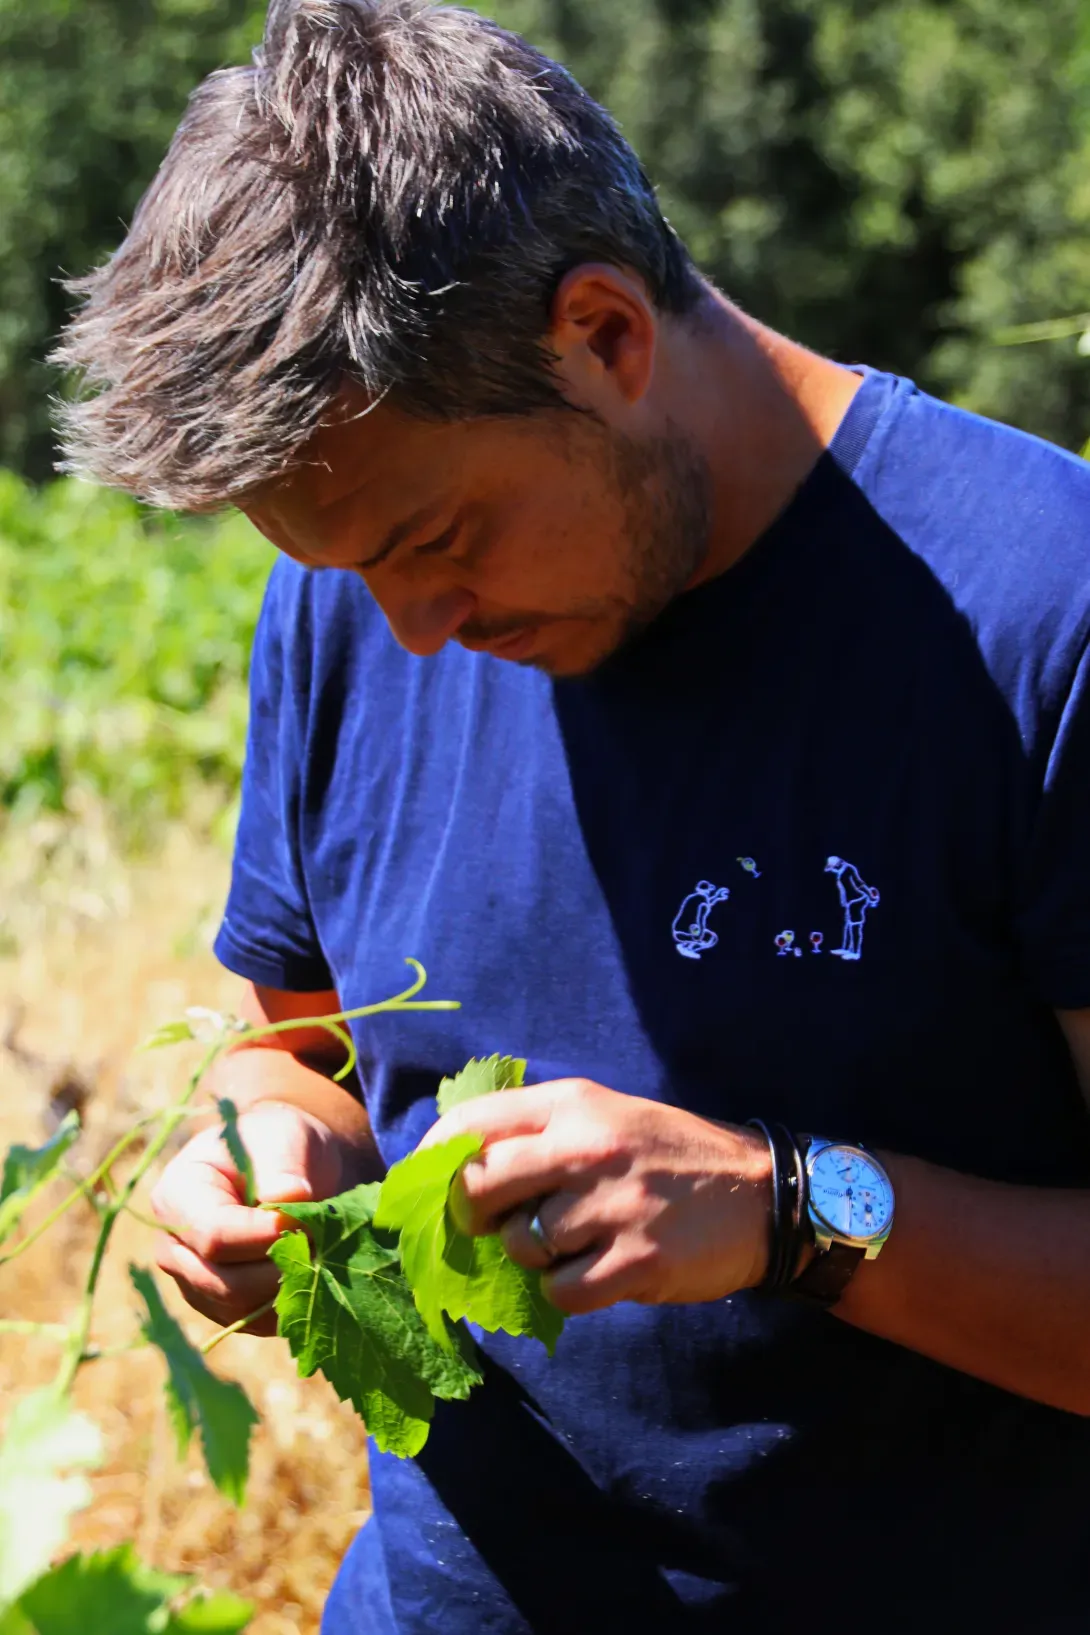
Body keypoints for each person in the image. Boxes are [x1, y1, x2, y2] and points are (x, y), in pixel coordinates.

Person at [54, 1, 1090, 1629]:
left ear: (602, 334)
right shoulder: (357, 605)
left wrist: (785, 1209)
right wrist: (267, 1152)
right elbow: (298, 1042)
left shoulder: (1041, 616)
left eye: (438, 534)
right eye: (343, 569)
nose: (405, 630)